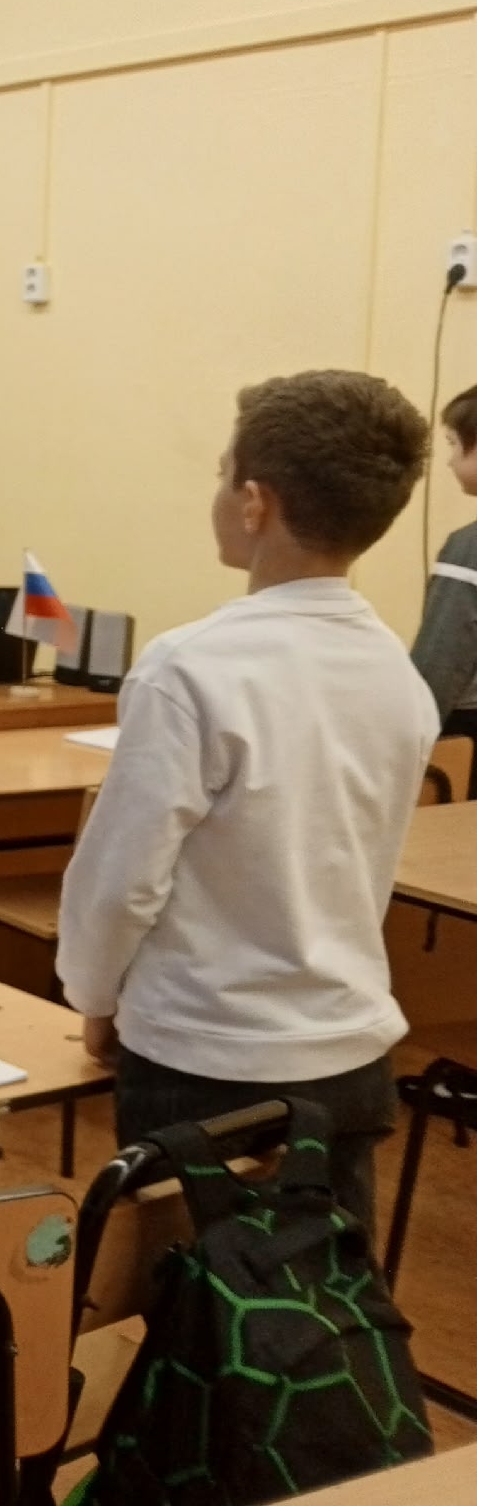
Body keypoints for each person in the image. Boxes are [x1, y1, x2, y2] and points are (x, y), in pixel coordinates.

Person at [58, 370, 436, 1231]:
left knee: (188, 1296)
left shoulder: (190, 666)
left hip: (205, 1056)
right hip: (348, 1055)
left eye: (223, 474)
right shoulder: (398, 674)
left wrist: (94, 995)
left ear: (255, 503)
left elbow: (122, 878)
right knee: (322, 1298)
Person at [410, 382, 477, 737]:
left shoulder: (468, 548)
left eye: (453, 444)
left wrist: (410, 731)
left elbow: (440, 662)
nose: (449, 460)